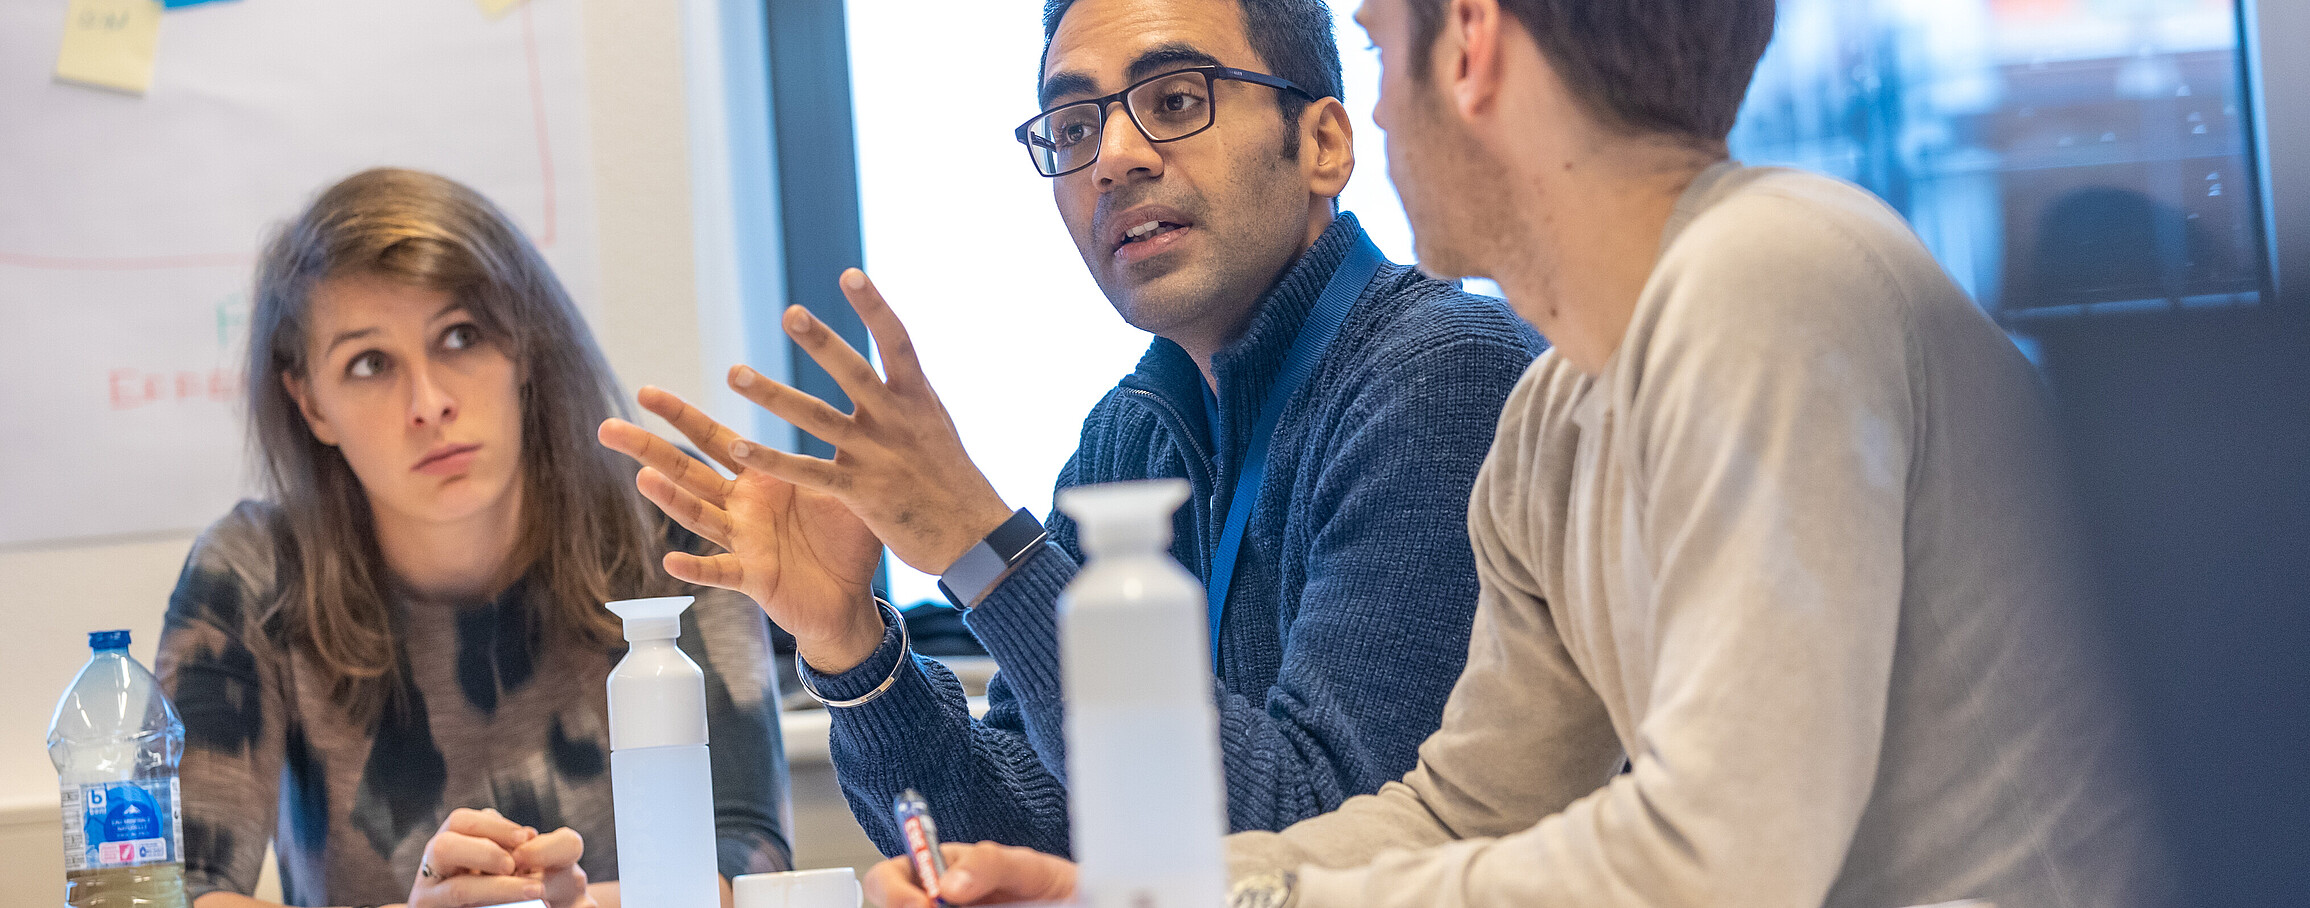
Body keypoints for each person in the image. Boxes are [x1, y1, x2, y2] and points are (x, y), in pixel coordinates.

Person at [861, 0, 2167, 905]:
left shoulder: (1769, 279)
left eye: (1376, 48)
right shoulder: (1561, 414)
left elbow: (1715, 866)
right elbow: (1461, 809)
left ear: (1468, 45)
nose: (1369, 109)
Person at [598, 0, 1544, 861]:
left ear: (1324, 144)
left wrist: (986, 548)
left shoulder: (1439, 377)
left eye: (1176, 100)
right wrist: (852, 647)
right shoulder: (1127, 439)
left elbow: (1328, 840)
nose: (1115, 159)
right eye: (1076, 127)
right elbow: (1022, 847)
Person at [156, 168, 792, 908]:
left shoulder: (671, 525)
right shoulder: (253, 571)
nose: (429, 404)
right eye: (369, 364)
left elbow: (749, 864)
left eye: (460, 337)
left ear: (520, 344)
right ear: (310, 404)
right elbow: (171, 891)